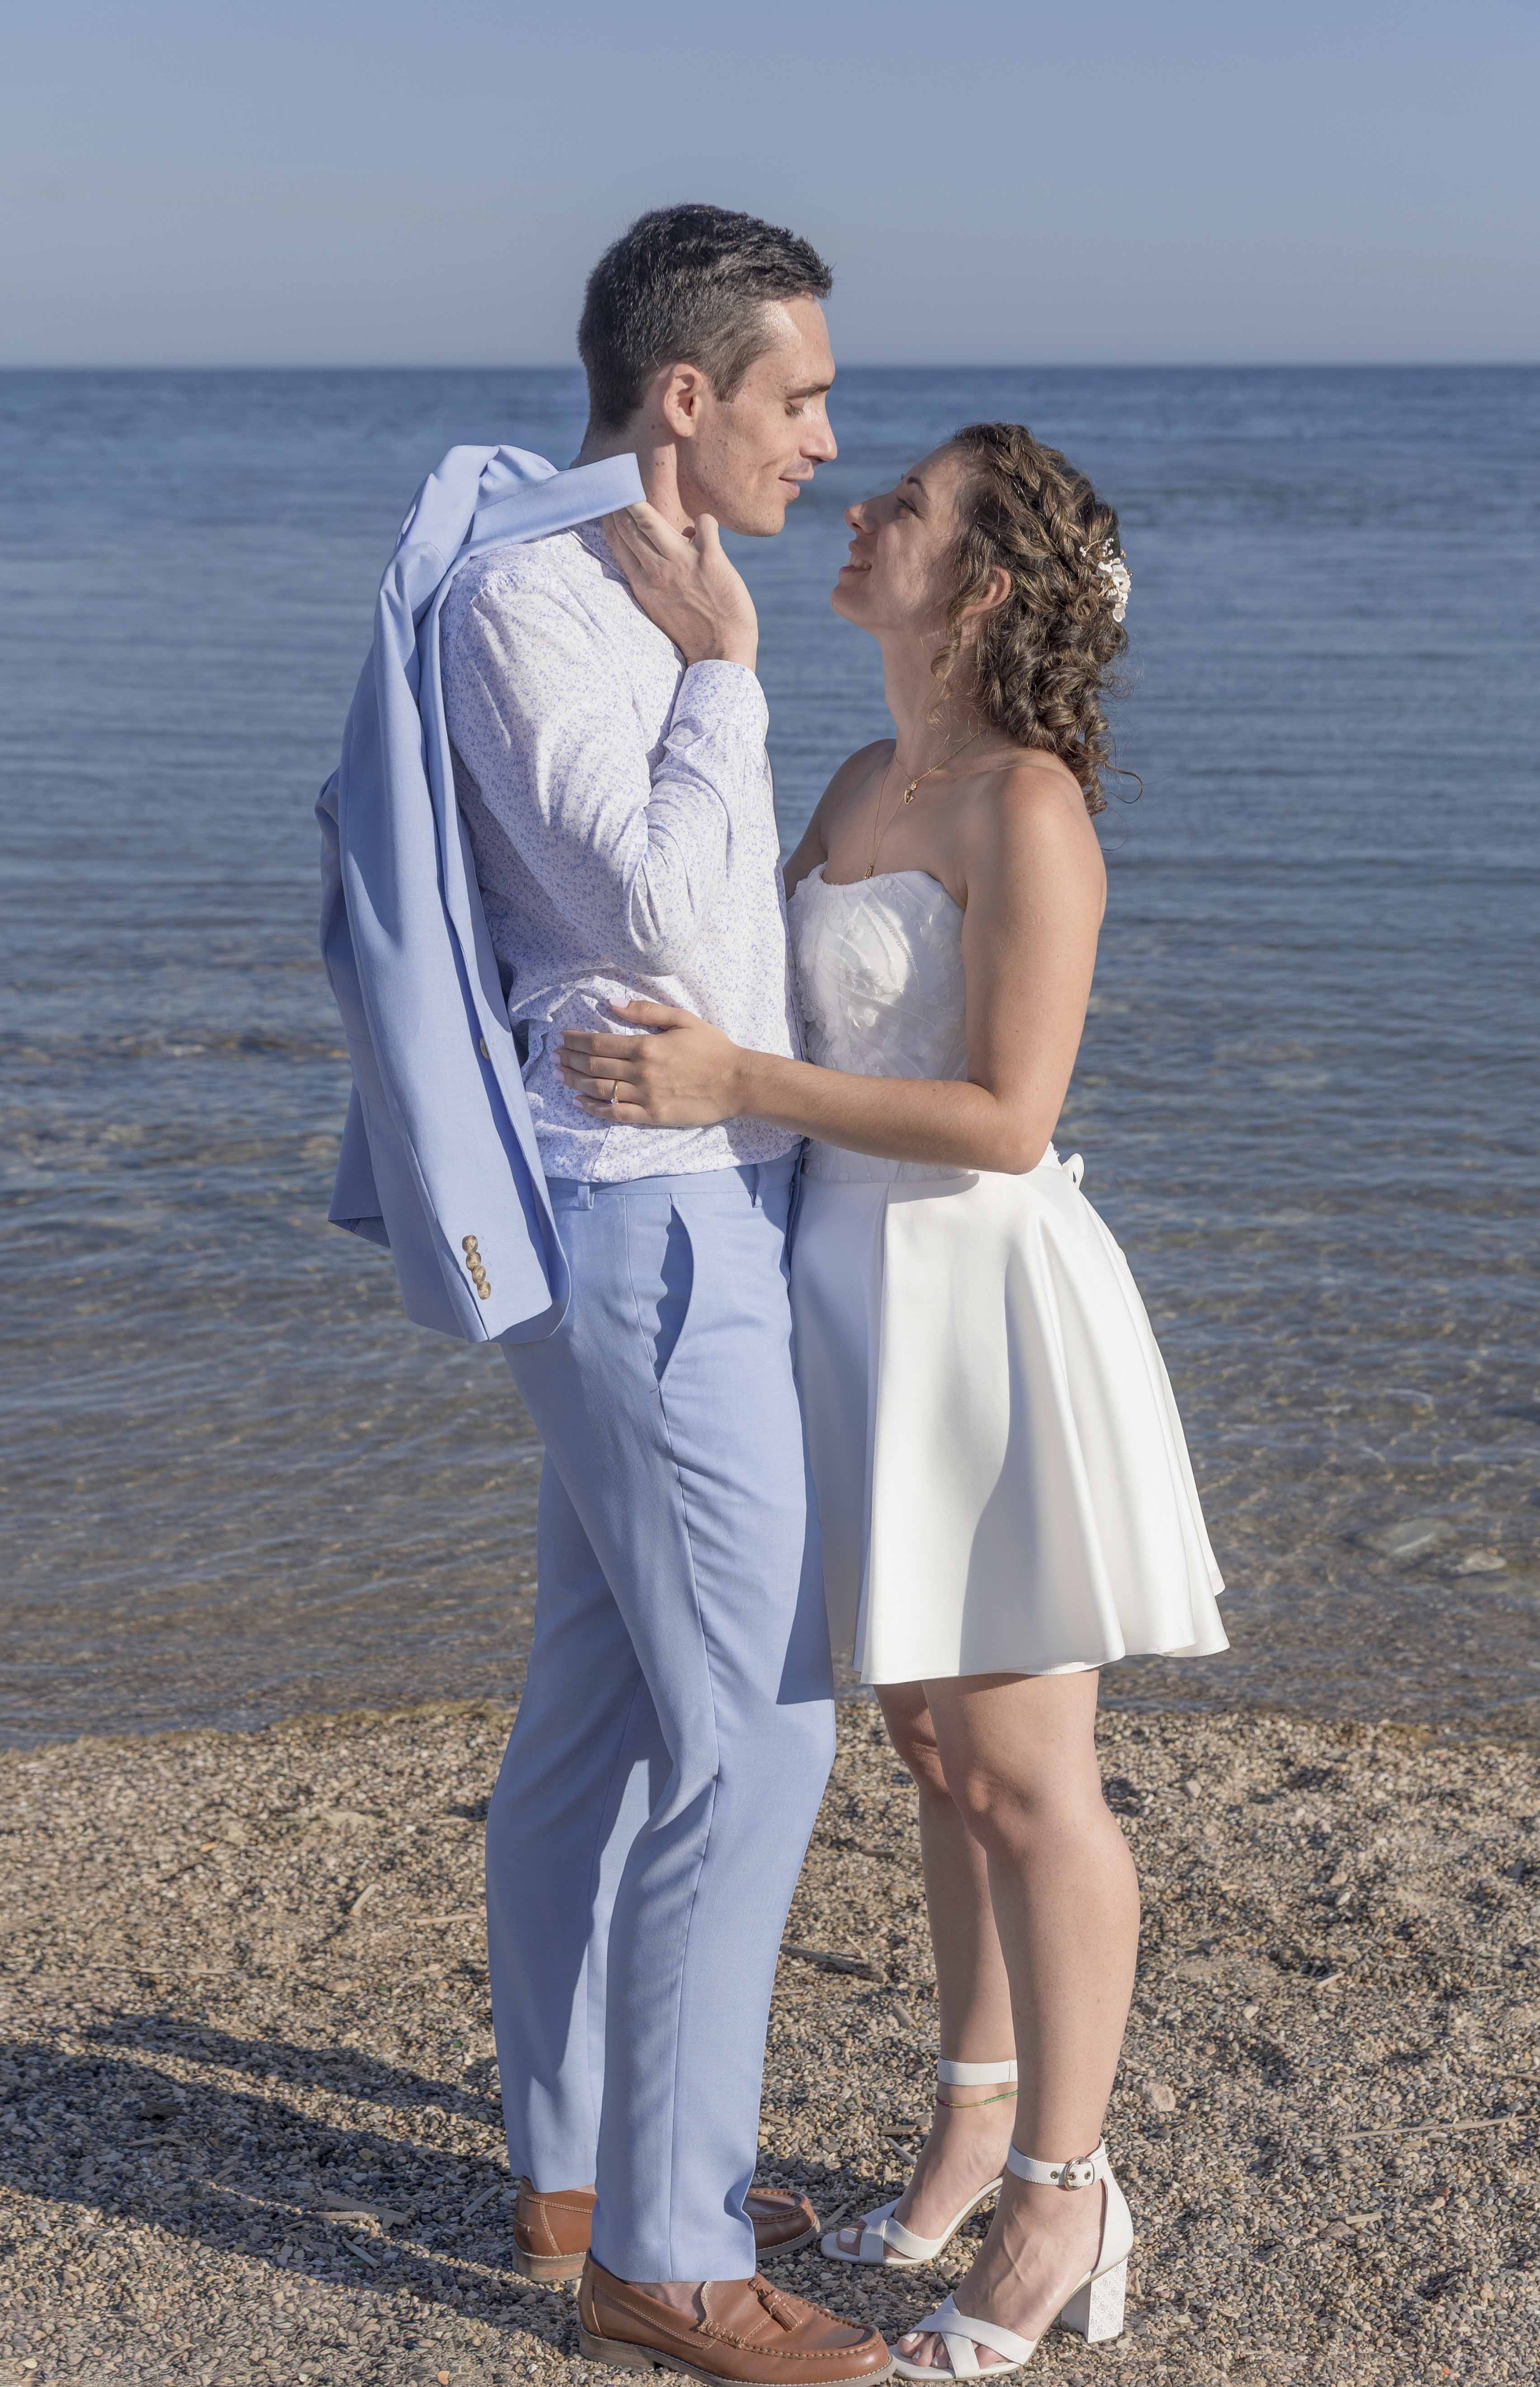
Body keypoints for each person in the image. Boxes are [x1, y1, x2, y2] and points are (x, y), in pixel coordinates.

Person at [558, 422, 1229, 2377]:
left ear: (983, 588)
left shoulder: (1027, 806)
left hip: (976, 1318)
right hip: (840, 1304)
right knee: (934, 1751)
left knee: (1034, 1780)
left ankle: (1066, 2196)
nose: (859, 513)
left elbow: (1011, 1119)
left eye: (905, 506)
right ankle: (962, 2128)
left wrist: (734, 1092)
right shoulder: (865, 775)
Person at [439, 207, 891, 2384]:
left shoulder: (628, 586)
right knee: (764, 1730)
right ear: (687, 397)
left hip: (675, 1203)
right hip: (644, 1211)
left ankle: (578, 2170)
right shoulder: (550, 599)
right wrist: (727, 673)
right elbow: (691, 948)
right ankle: (672, 2252)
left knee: (610, 1701)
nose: (830, 438)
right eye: (801, 396)